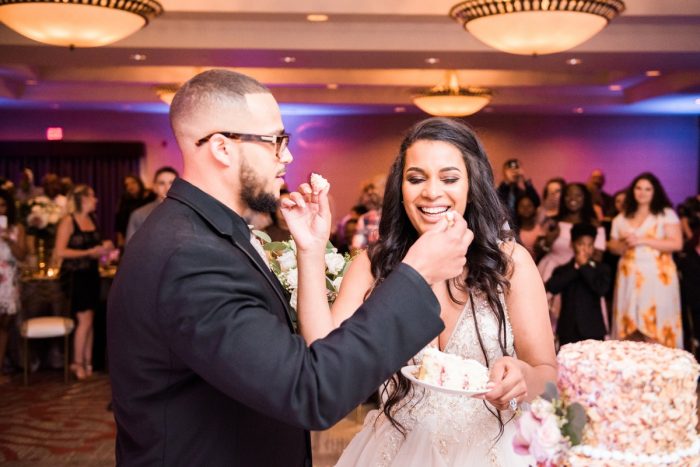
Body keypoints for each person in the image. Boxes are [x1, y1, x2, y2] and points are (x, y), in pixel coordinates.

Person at [106, 69, 471, 466]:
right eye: (275, 141)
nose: (287, 156)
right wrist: (417, 274)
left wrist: (310, 248)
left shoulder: (206, 234)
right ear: (222, 148)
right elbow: (310, 390)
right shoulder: (191, 256)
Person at [293, 118, 556, 466]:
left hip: (495, 450)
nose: (432, 192)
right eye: (416, 179)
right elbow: (323, 356)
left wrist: (525, 378)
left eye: (449, 178)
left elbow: (549, 379)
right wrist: (310, 250)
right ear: (400, 187)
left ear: (472, 185)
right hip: (394, 451)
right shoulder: (373, 265)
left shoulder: (510, 263)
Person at [608, 172, 683, 348]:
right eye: (639, 188)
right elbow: (613, 246)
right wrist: (623, 244)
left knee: (657, 317)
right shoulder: (621, 217)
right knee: (628, 317)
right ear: (632, 190)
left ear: (655, 192)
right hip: (629, 273)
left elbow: (677, 243)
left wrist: (642, 239)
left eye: (648, 189)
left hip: (657, 275)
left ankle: (663, 359)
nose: (642, 192)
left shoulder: (665, 214)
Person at [54, 185, 113, 380]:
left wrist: (104, 249)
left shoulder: (92, 219)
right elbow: (60, 251)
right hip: (75, 276)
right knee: (84, 320)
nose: (96, 200)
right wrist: (89, 252)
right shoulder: (68, 221)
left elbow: (95, 248)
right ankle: (76, 363)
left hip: (92, 274)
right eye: (93, 196)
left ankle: (88, 363)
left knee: (90, 319)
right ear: (84, 199)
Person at [536, 183, 606, 329]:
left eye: (578, 195)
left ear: (585, 198)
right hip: (553, 271)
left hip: (583, 274)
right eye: (568, 195)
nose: (573, 198)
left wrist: (581, 264)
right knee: (546, 320)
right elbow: (538, 249)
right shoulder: (553, 221)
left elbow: (598, 256)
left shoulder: (593, 224)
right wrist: (548, 240)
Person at [545, 223, 610, 346]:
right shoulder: (562, 270)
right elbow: (552, 287)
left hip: (593, 329)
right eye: (581, 244)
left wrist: (584, 267)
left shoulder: (601, 269)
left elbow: (601, 289)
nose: (585, 249)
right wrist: (577, 267)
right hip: (568, 330)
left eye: (590, 245)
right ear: (572, 244)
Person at [0, 189, 27, 384]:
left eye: (2, 205)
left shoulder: (17, 229)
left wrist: (9, 240)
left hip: (8, 279)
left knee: (5, 326)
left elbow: (22, 255)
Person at [125, 166, 179, 244]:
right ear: (154, 187)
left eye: (172, 183)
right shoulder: (139, 215)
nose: (167, 188)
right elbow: (131, 247)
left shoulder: (189, 213)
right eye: (161, 183)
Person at [496, 158, 540, 230]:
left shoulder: (521, 193)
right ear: (504, 173)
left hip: (520, 229)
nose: (514, 172)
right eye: (510, 170)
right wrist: (507, 182)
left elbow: (536, 203)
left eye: (516, 169)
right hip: (502, 228)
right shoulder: (499, 190)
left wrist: (525, 179)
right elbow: (498, 201)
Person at [114, 174, 155, 249]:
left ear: (139, 183)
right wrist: (120, 239)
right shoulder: (125, 200)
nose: (130, 186)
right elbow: (119, 220)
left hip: (149, 236)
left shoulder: (150, 196)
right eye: (127, 184)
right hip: (129, 235)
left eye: (133, 182)